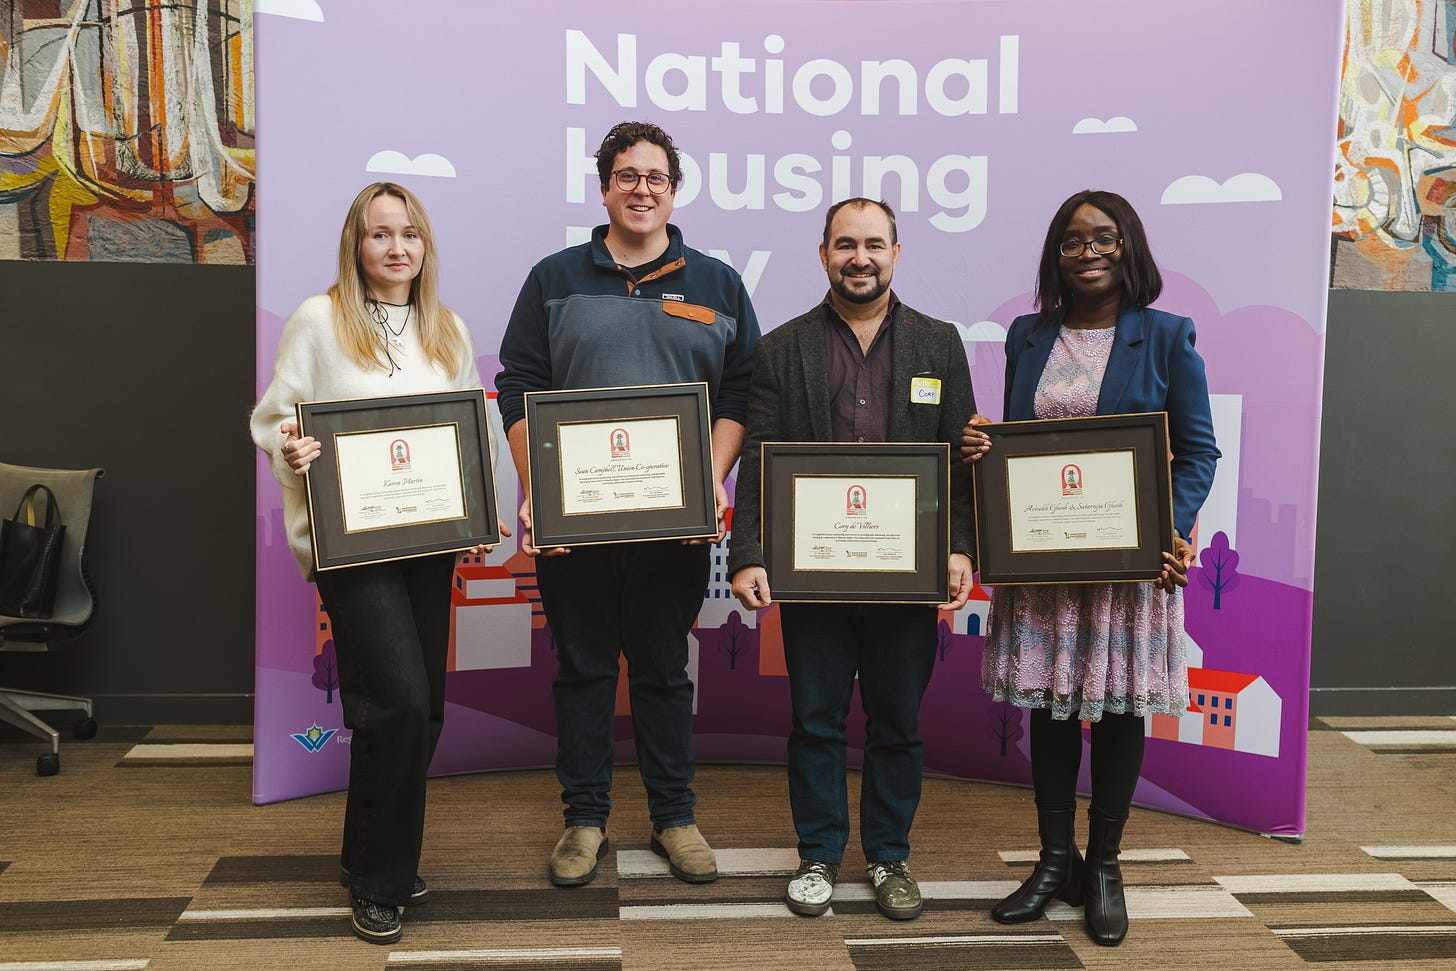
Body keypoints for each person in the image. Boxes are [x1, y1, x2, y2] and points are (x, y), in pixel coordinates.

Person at [495, 121, 760, 887]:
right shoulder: (553, 278)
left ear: (674, 189)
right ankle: (584, 819)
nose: (641, 188)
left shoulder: (716, 282)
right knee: (581, 669)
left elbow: (741, 390)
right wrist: (536, 488)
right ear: (604, 185)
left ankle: (674, 816)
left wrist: (712, 475)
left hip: (674, 522)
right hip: (575, 523)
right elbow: (519, 383)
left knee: (663, 670)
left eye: (656, 176)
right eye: (626, 175)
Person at [251, 182, 506, 945]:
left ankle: (367, 849)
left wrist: (479, 508)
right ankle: (379, 878)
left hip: (429, 540)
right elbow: (275, 418)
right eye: (379, 234)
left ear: (425, 247)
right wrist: (292, 450)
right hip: (351, 541)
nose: (396, 248)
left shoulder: (448, 329)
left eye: (410, 235)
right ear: (355, 245)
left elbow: (469, 427)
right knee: (394, 696)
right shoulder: (320, 320)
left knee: (421, 708)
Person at [962, 190, 1219, 946]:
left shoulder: (1168, 337)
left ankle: (1103, 865)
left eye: (1104, 238)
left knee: (1115, 711)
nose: (1089, 251)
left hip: (1126, 572)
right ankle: (1052, 862)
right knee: (1047, 709)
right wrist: (985, 446)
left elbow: (1197, 451)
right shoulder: (1028, 335)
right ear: (1057, 256)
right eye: (1073, 242)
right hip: (1044, 563)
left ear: (1129, 246)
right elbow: (1017, 444)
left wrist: (1168, 532)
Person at [728, 198, 987, 920]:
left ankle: (888, 854)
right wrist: (749, 553)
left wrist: (961, 546)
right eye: (846, 244)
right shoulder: (781, 348)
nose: (860, 257)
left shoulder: (940, 344)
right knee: (814, 720)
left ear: (897, 253)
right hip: (815, 579)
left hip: (907, 582)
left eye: (875, 244)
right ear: (823, 254)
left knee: (897, 722)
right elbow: (758, 459)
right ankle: (817, 853)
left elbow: (960, 457)